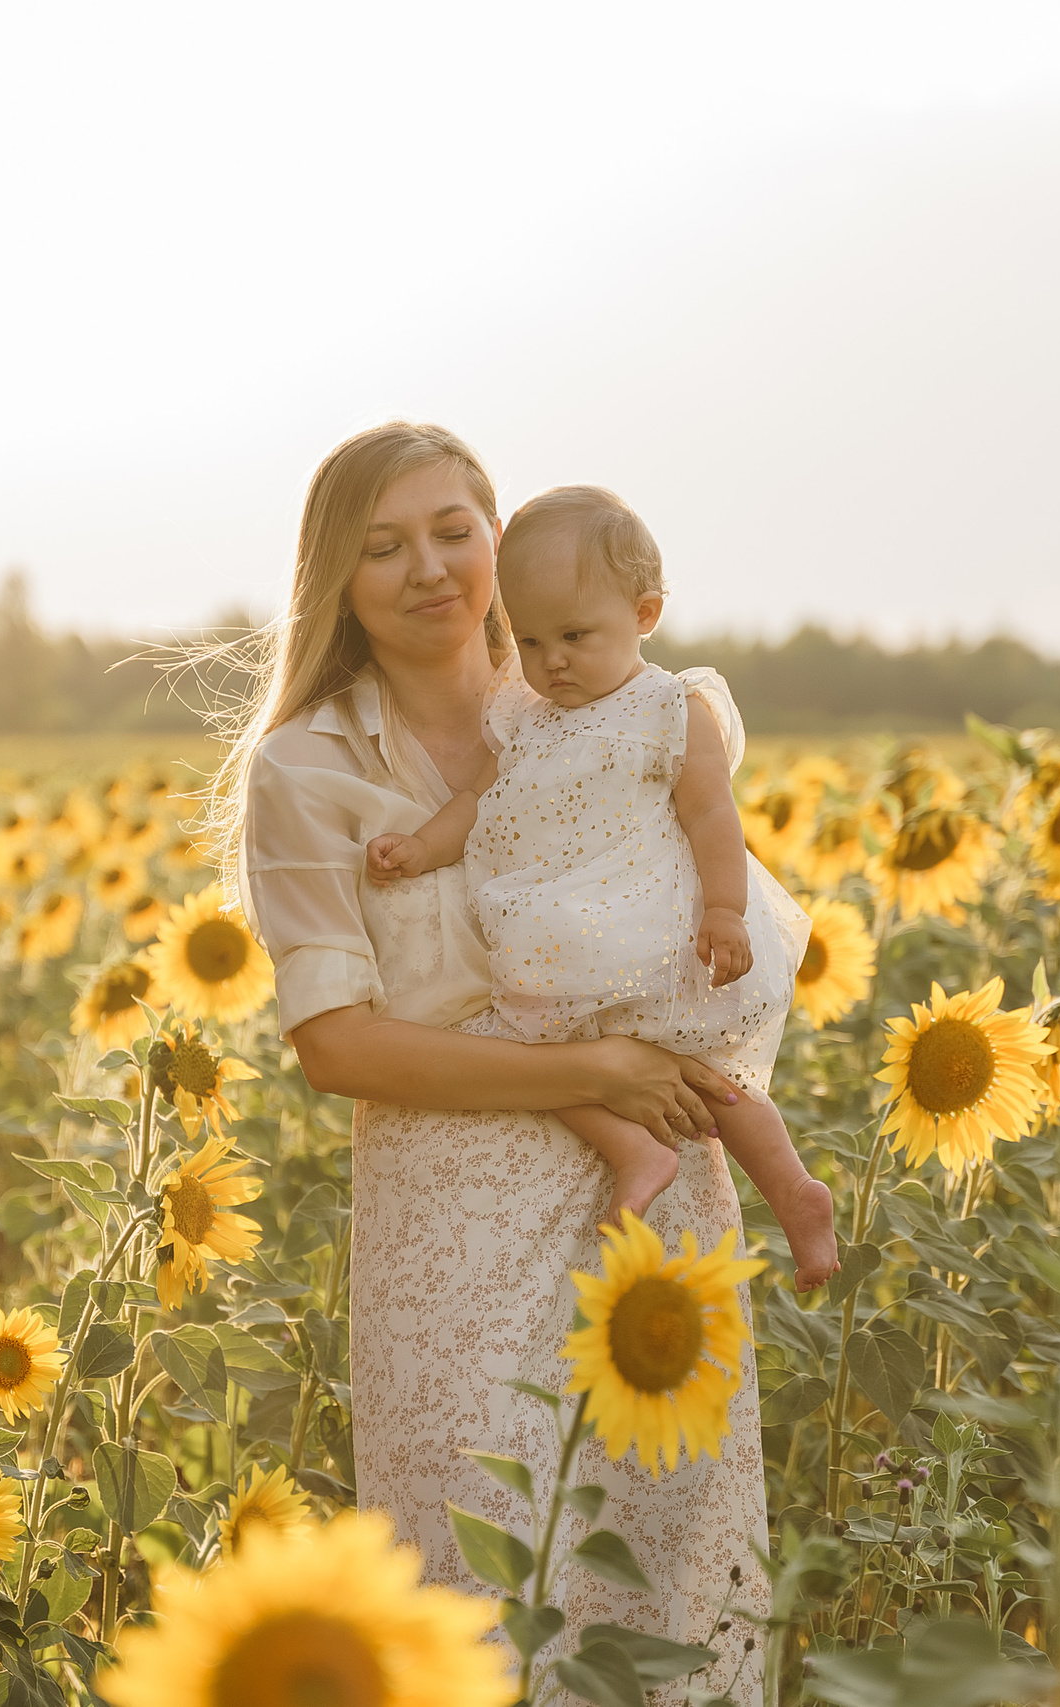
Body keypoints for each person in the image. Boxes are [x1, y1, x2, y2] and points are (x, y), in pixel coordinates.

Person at [215, 423, 770, 1690]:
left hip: (660, 1199)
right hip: (449, 1226)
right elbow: (336, 1045)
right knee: (475, 1596)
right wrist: (595, 1074)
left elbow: (711, 931)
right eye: (383, 547)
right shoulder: (307, 766)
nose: (429, 570)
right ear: (334, 582)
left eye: (454, 532)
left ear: (500, 539)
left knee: (677, 1584)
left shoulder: (614, 704)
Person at [365, 484, 839, 1289]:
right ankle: (634, 1149)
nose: (552, 661)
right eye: (533, 637)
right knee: (527, 1044)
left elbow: (712, 816)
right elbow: (475, 801)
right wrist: (420, 846)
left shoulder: (669, 706)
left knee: (705, 1071)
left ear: (644, 612)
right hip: (559, 937)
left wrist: (724, 909)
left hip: (656, 932)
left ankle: (795, 1191)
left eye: (576, 635)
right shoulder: (525, 715)